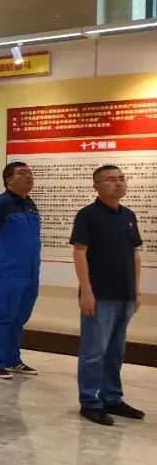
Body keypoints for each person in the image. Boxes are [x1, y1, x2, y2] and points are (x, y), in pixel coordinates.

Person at [70, 165, 146, 426]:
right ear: (97, 186)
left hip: (125, 294)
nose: (119, 183)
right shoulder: (87, 215)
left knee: (115, 351)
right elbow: (79, 253)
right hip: (99, 295)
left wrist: (136, 289)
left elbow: (135, 253)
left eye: (121, 179)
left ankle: (112, 398)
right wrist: (86, 291)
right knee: (94, 352)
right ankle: (90, 402)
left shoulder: (128, 215)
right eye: (111, 180)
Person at [0, 162, 41, 380]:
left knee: (20, 316)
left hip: (30, 271)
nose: (29, 176)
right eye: (22, 173)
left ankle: (12, 359)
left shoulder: (29, 204)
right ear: (8, 180)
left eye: (30, 173)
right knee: (3, 315)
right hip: (6, 271)